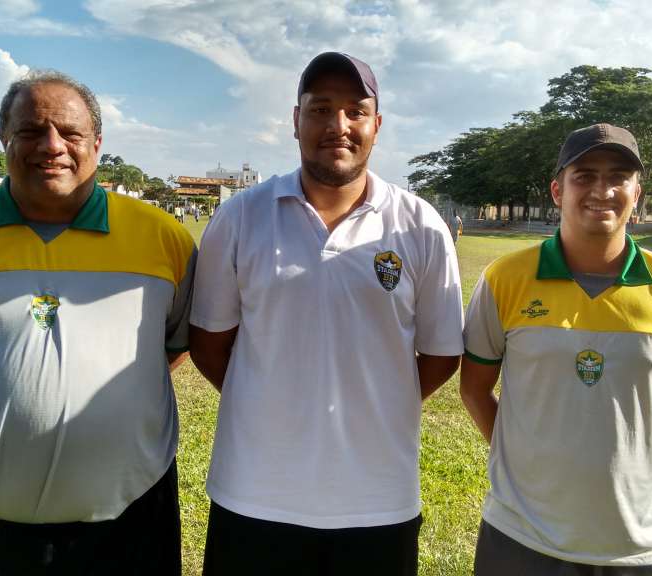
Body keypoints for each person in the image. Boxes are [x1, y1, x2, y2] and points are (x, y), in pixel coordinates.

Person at [0, 70, 196, 575]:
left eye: (71, 133)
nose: (52, 146)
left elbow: (173, 345)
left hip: (129, 513)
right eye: (31, 131)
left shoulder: (165, 239)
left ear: (97, 143)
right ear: (4, 139)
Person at [189, 52, 464, 575]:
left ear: (376, 125)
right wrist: (273, 397)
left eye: (355, 111)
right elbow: (208, 343)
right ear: (295, 121)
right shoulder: (241, 215)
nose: (337, 125)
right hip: (254, 494)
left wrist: (375, 398)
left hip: (378, 499)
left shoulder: (420, 225)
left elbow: (441, 352)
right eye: (320, 110)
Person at [460, 123, 652, 575]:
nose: (603, 189)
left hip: (633, 541)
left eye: (618, 176)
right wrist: (524, 458)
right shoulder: (505, 279)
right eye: (585, 176)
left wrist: (622, 458)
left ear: (638, 192)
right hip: (520, 532)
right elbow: (475, 388)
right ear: (558, 190)